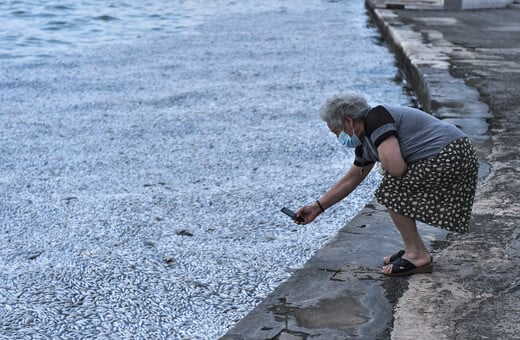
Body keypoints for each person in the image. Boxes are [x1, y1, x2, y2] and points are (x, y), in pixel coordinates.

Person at [295, 92, 478, 277]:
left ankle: (417, 254)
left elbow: (396, 168)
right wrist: (318, 207)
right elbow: (352, 179)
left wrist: (383, 161)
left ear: (348, 121)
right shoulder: (366, 139)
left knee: (391, 189)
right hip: (450, 153)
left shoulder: (377, 120)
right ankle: (413, 248)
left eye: (337, 132)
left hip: (451, 154)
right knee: (392, 186)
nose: (339, 138)